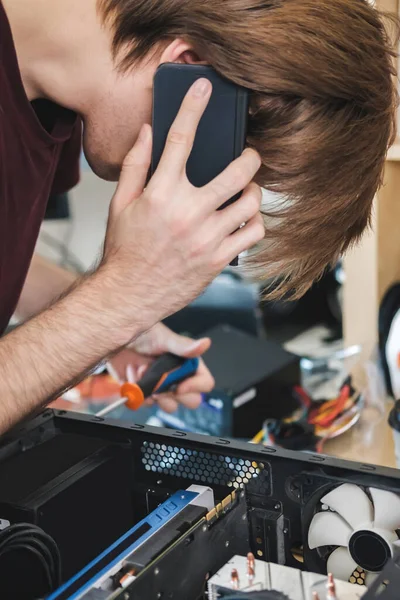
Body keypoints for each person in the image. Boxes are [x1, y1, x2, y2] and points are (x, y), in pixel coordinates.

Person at [0, 0, 397, 434]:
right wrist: (118, 301)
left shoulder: (50, 109)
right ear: (190, 74)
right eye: (219, 162)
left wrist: (116, 330)